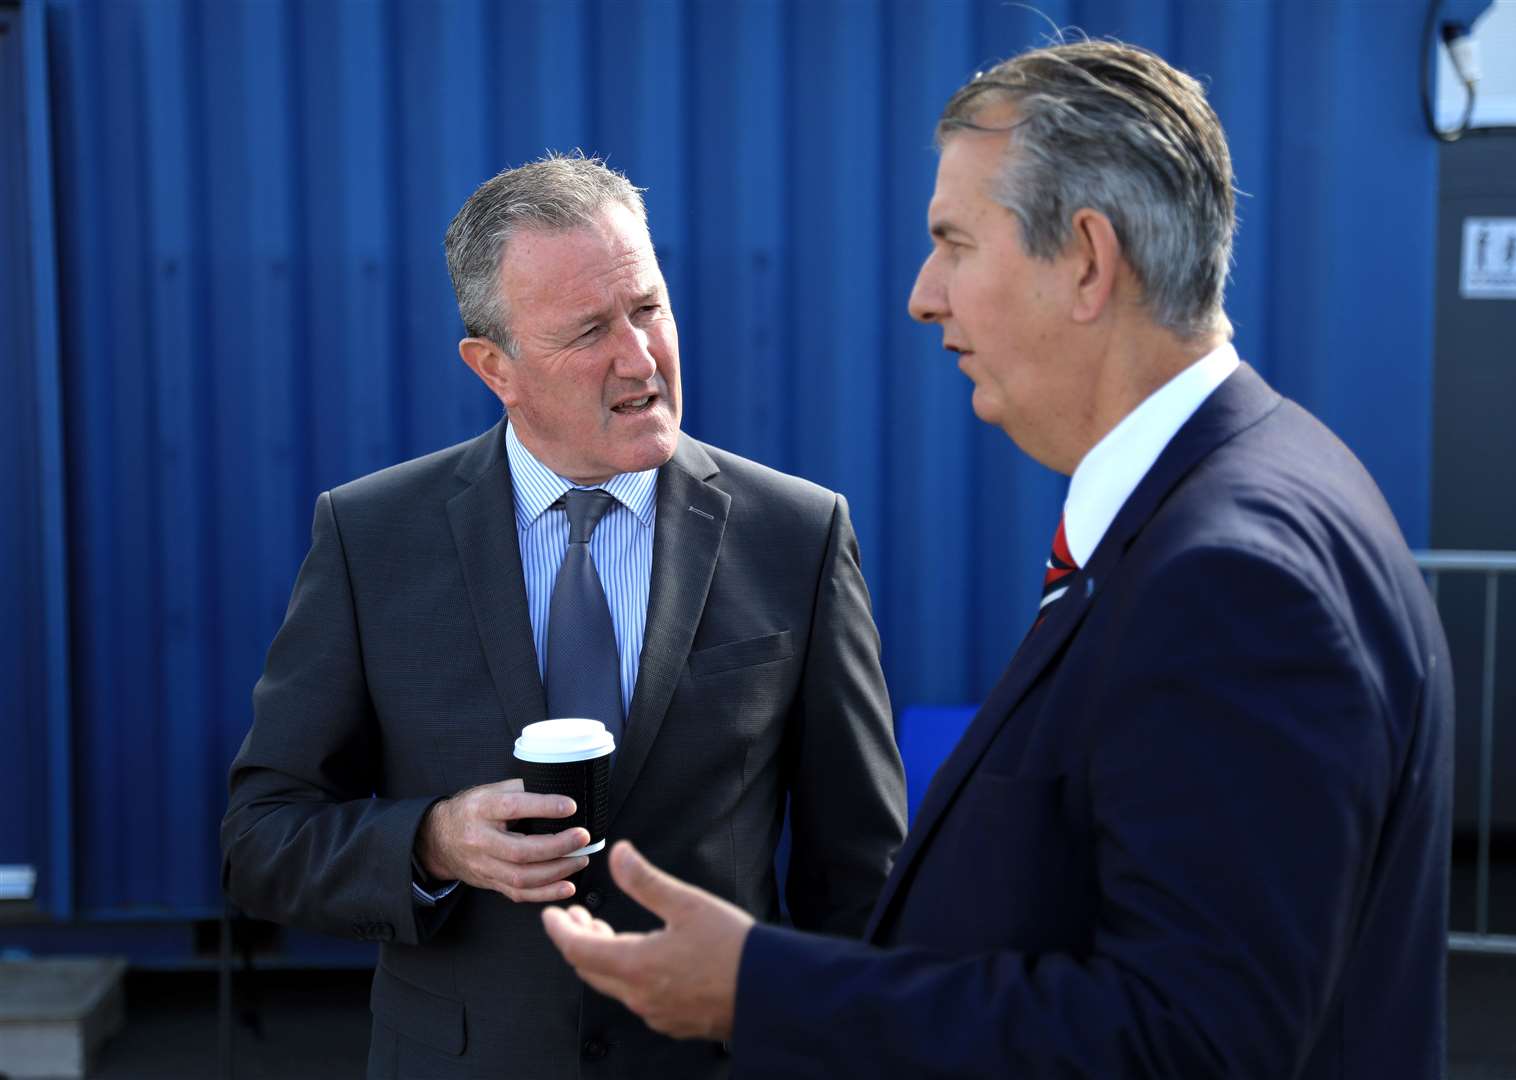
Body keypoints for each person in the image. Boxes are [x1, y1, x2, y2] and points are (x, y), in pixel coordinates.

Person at [543, 40, 1454, 1079]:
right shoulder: (1249, 487)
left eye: (954, 243)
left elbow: (1191, 1042)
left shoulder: (1232, 580)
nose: (924, 295)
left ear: (1085, 260)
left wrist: (758, 989)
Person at [221, 152, 907, 1080]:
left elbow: (859, 874)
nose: (638, 357)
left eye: (649, 308)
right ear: (494, 367)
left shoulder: (797, 534)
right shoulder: (371, 537)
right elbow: (263, 838)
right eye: (588, 331)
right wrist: (430, 842)